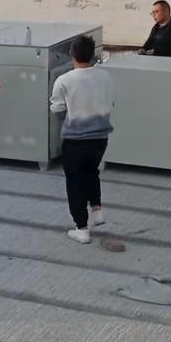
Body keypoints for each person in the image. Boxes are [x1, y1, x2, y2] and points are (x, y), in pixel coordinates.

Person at [49, 35, 114, 244]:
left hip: (75, 139)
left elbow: (57, 109)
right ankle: (97, 209)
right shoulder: (105, 76)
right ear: (93, 54)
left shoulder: (64, 80)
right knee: (91, 171)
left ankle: (82, 228)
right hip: (100, 137)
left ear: (72, 54)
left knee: (75, 182)